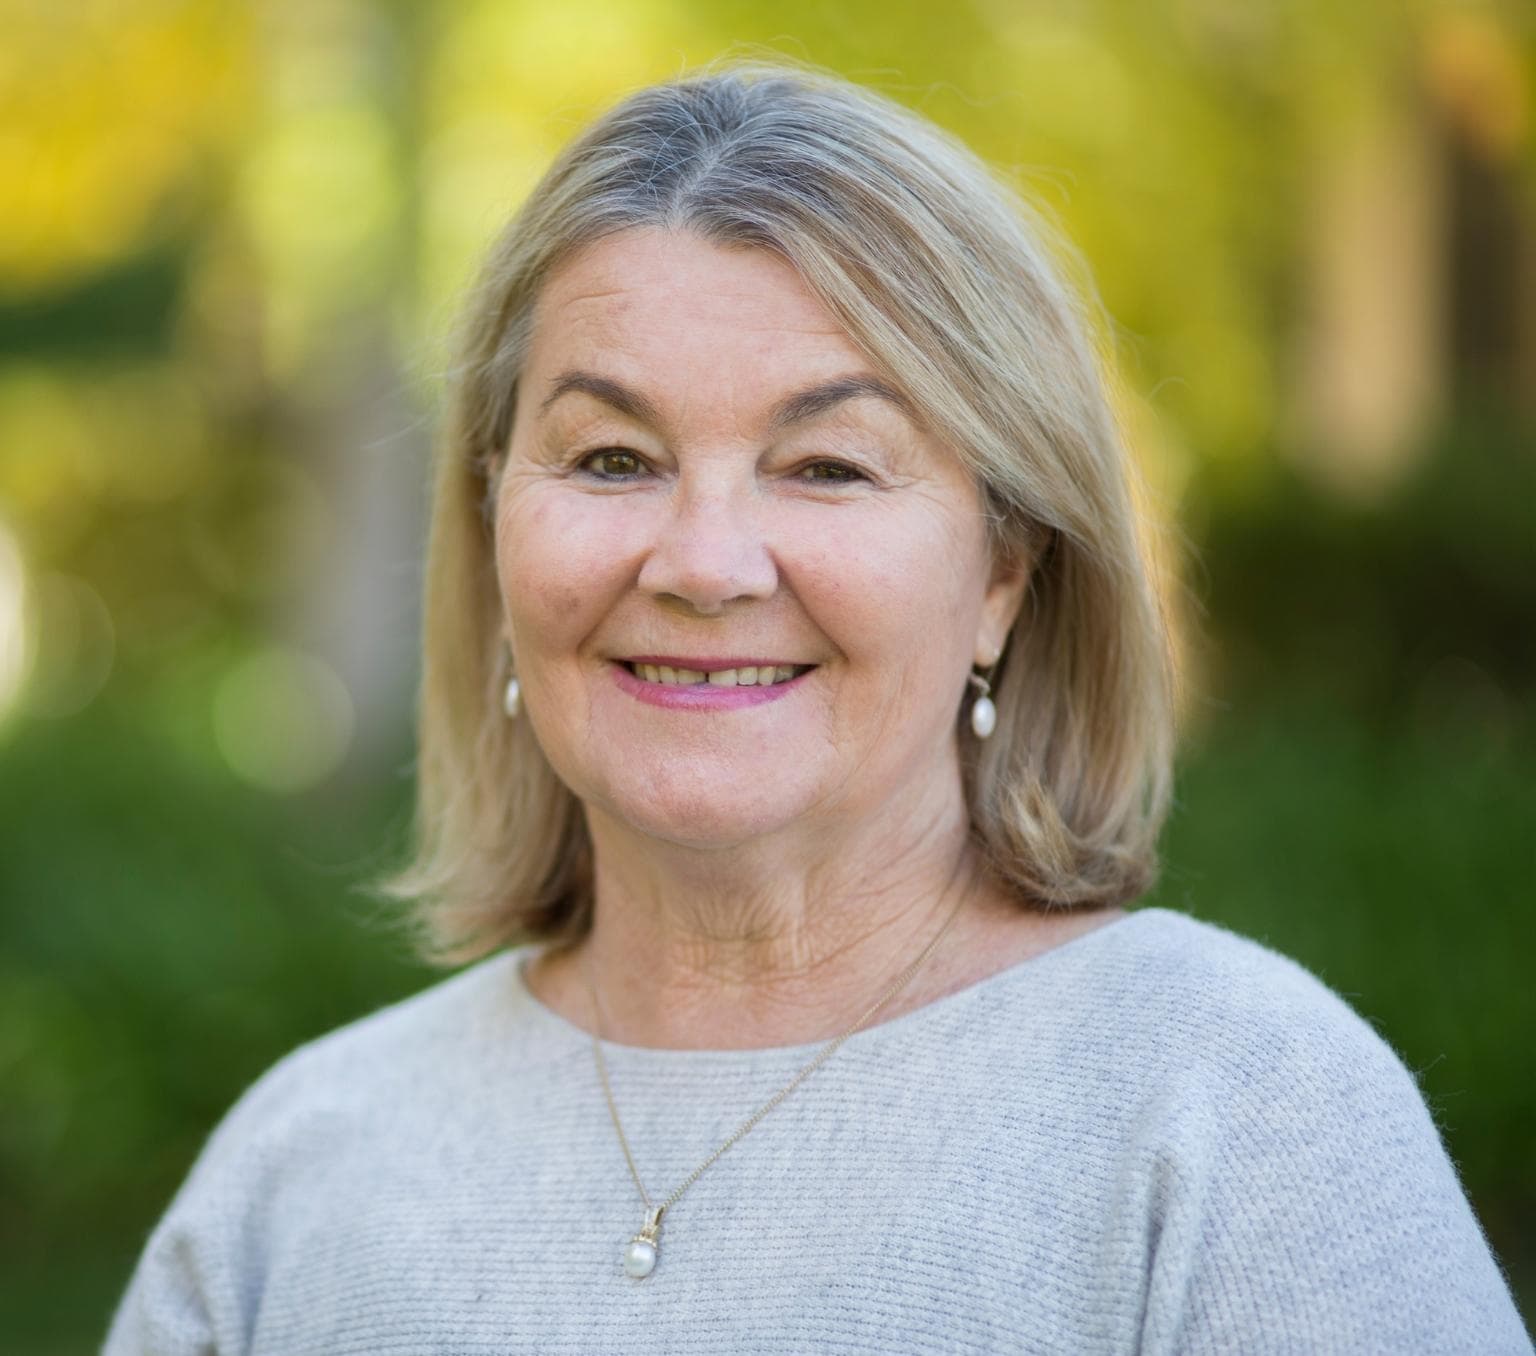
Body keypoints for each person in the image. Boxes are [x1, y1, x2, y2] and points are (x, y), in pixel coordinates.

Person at [104, 60, 1531, 1354]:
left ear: (1005, 574)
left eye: (830, 466)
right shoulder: (297, 1176)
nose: (703, 565)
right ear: (493, 531)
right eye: (609, 459)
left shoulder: (1240, 1120)